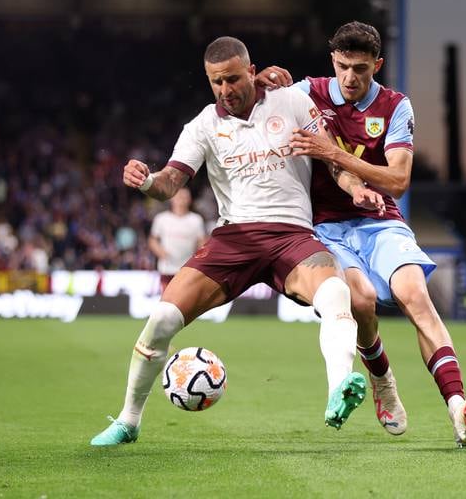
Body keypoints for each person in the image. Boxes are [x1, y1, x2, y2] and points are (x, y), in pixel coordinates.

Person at [90, 36, 387, 446]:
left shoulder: (293, 103)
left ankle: (339, 387)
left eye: (233, 79)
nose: (226, 90)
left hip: (291, 235)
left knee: (336, 292)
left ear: (251, 71)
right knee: (161, 321)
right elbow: (171, 182)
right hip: (234, 238)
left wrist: (354, 186)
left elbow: (333, 161)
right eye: (216, 83)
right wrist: (148, 181)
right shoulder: (202, 127)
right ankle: (128, 420)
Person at [256, 21, 466, 446]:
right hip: (325, 227)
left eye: (360, 69)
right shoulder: (309, 94)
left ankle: (458, 408)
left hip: (380, 220)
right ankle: (383, 381)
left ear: (376, 65)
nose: (350, 77)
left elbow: (398, 180)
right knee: (359, 299)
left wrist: (333, 152)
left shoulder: (396, 106)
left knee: (416, 295)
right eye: (343, 66)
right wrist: (263, 78)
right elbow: (254, 100)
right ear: (333, 61)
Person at [148, 187, 206, 293]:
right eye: (179, 197)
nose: (181, 200)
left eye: (185, 197)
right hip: (167, 269)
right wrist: (160, 252)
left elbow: (202, 242)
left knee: (185, 303)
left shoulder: (196, 220)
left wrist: (197, 258)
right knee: (167, 301)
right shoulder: (161, 219)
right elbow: (152, 240)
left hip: (187, 269)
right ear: (172, 199)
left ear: (190, 199)